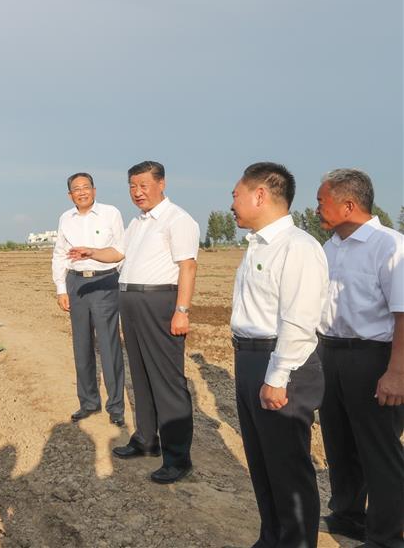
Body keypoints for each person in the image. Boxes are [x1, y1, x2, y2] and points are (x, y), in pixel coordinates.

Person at [71, 160, 199, 484]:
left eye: (143, 185)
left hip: (160, 302)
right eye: (132, 186)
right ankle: (146, 439)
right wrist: (90, 252)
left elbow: (188, 267)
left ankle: (178, 457)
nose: (137, 192)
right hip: (129, 300)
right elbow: (118, 254)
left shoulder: (178, 219)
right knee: (140, 375)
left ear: (161, 183)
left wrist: (182, 309)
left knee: (167, 381)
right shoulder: (138, 223)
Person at [230, 162, 328, 548]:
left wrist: (276, 376)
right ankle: (271, 538)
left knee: (288, 467)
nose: (232, 203)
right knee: (263, 463)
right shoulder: (258, 244)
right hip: (250, 359)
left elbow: (299, 321)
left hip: (281, 364)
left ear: (260, 196)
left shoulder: (298, 248)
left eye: (236, 195)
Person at [315, 168, 403, 548]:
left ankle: (387, 534)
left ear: (348, 205)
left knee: (378, 448)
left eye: (322, 202)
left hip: (373, 358)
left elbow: (403, 313)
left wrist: (397, 372)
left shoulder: (390, 246)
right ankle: (348, 514)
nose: (316, 209)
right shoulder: (330, 246)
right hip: (330, 354)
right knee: (339, 440)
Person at [52, 172, 125, 426]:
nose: (81, 192)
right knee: (81, 345)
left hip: (104, 281)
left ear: (94, 190)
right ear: (69, 194)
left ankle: (116, 407)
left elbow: (121, 250)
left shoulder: (110, 214)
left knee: (109, 345)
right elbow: (60, 254)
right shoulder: (65, 219)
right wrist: (61, 288)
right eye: (76, 189)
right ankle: (88, 402)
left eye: (86, 187)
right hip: (76, 283)